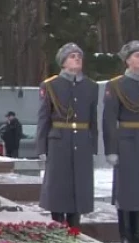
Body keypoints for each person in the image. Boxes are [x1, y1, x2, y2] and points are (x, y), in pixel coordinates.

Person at [102, 40, 139, 243]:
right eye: (137, 55)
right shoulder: (116, 85)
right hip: (126, 142)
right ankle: (125, 236)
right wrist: (111, 149)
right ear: (127, 60)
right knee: (127, 190)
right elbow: (109, 120)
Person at [36, 43, 98, 228]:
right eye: (72, 56)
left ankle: (74, 226)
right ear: (63, 62)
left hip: (82, 141)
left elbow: (92, 119)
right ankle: (57, 225)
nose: (77, 58)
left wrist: (92, 144)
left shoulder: (90, 86)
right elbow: (44, 118)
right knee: (58, 185)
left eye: (79, 56)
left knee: (79, 184)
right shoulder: (51, 85)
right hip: (58, 141)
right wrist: (41, 148)